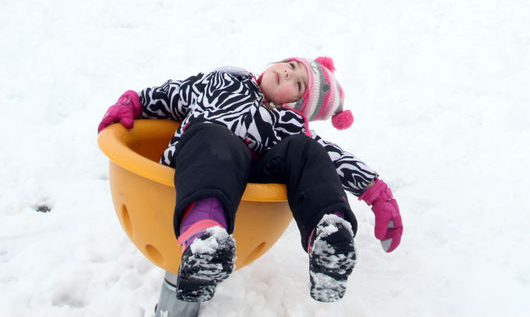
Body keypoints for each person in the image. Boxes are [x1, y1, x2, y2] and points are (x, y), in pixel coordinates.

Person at [98, 57, 403, 304]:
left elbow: (331, 158)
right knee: (215, 136)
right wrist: (132, 102)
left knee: (307, 150)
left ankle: (329, 236)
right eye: (291, 66)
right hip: (191, 169)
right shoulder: (223, 82)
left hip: (243, 187)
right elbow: (172, 95)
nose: (288, 74)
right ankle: (205, 238)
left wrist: (376, 192)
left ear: (295, 106)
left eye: (298, 85)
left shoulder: (287, 125)